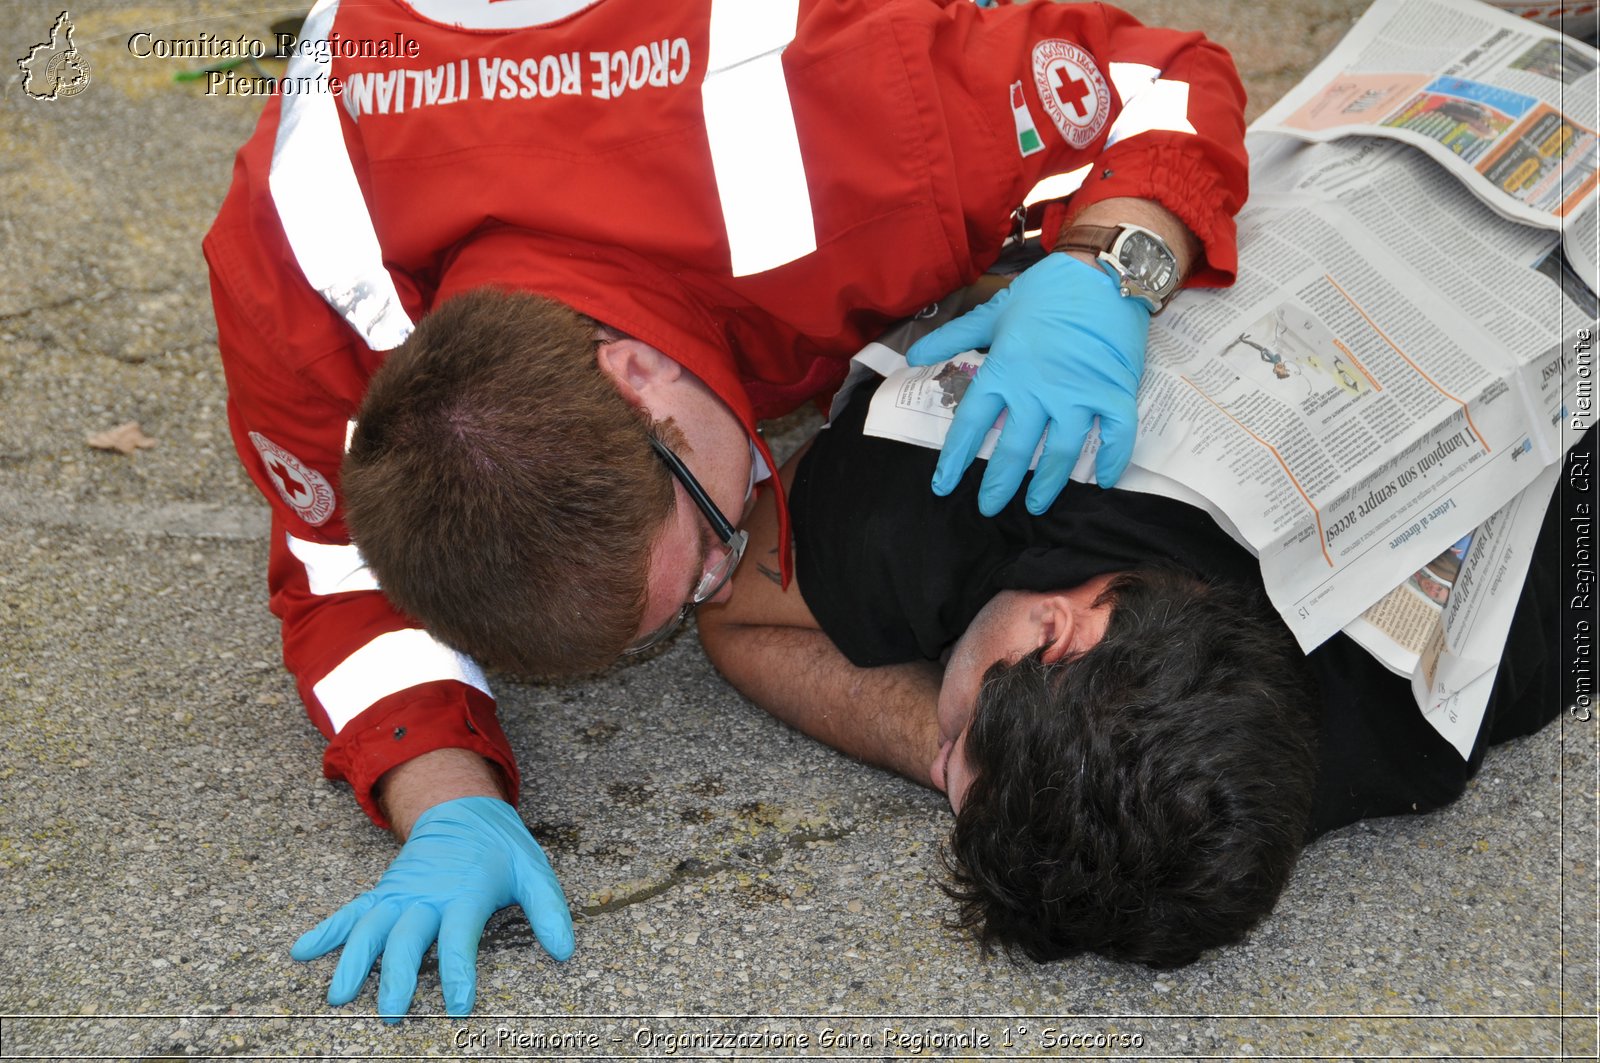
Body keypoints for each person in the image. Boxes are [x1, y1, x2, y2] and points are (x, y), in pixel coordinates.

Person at [205, 0, 1249, 1018]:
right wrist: (446, 800)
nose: (729, 577)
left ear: (637, 374)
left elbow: (1161, 76)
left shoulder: (834, 116)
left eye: (707, 539)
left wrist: (1107, 263)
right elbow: (334, 567)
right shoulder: (299, 279)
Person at [697, 359, 1569, 965]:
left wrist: (978, 768)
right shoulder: (1432, 705)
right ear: (1051, 633)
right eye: (949, 736)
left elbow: (740, 616)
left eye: (948, 750)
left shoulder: (1409, 722)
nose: (931, 750)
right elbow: (736, 611)